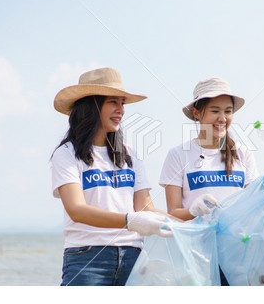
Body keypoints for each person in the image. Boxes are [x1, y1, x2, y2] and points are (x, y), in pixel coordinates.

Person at [51, 67, 173, 286]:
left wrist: (194, 219)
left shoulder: (130, 154)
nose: (121, 110)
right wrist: (130, 221)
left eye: (122, 103)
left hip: (134, 259)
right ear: (91, 105)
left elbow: (146, 209)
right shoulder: (66, 154)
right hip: (87, 260)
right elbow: (76, 210)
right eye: (113, 102)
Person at [159, 77, 259, 285]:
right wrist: (193, 211)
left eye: (228, 111)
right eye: (215, 111)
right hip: (196, 258)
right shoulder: (178, 155)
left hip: (238, 259)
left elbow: (254, 208)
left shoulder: (244, 155)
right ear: (196, 112)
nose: (222, 118)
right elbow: (173, 213)